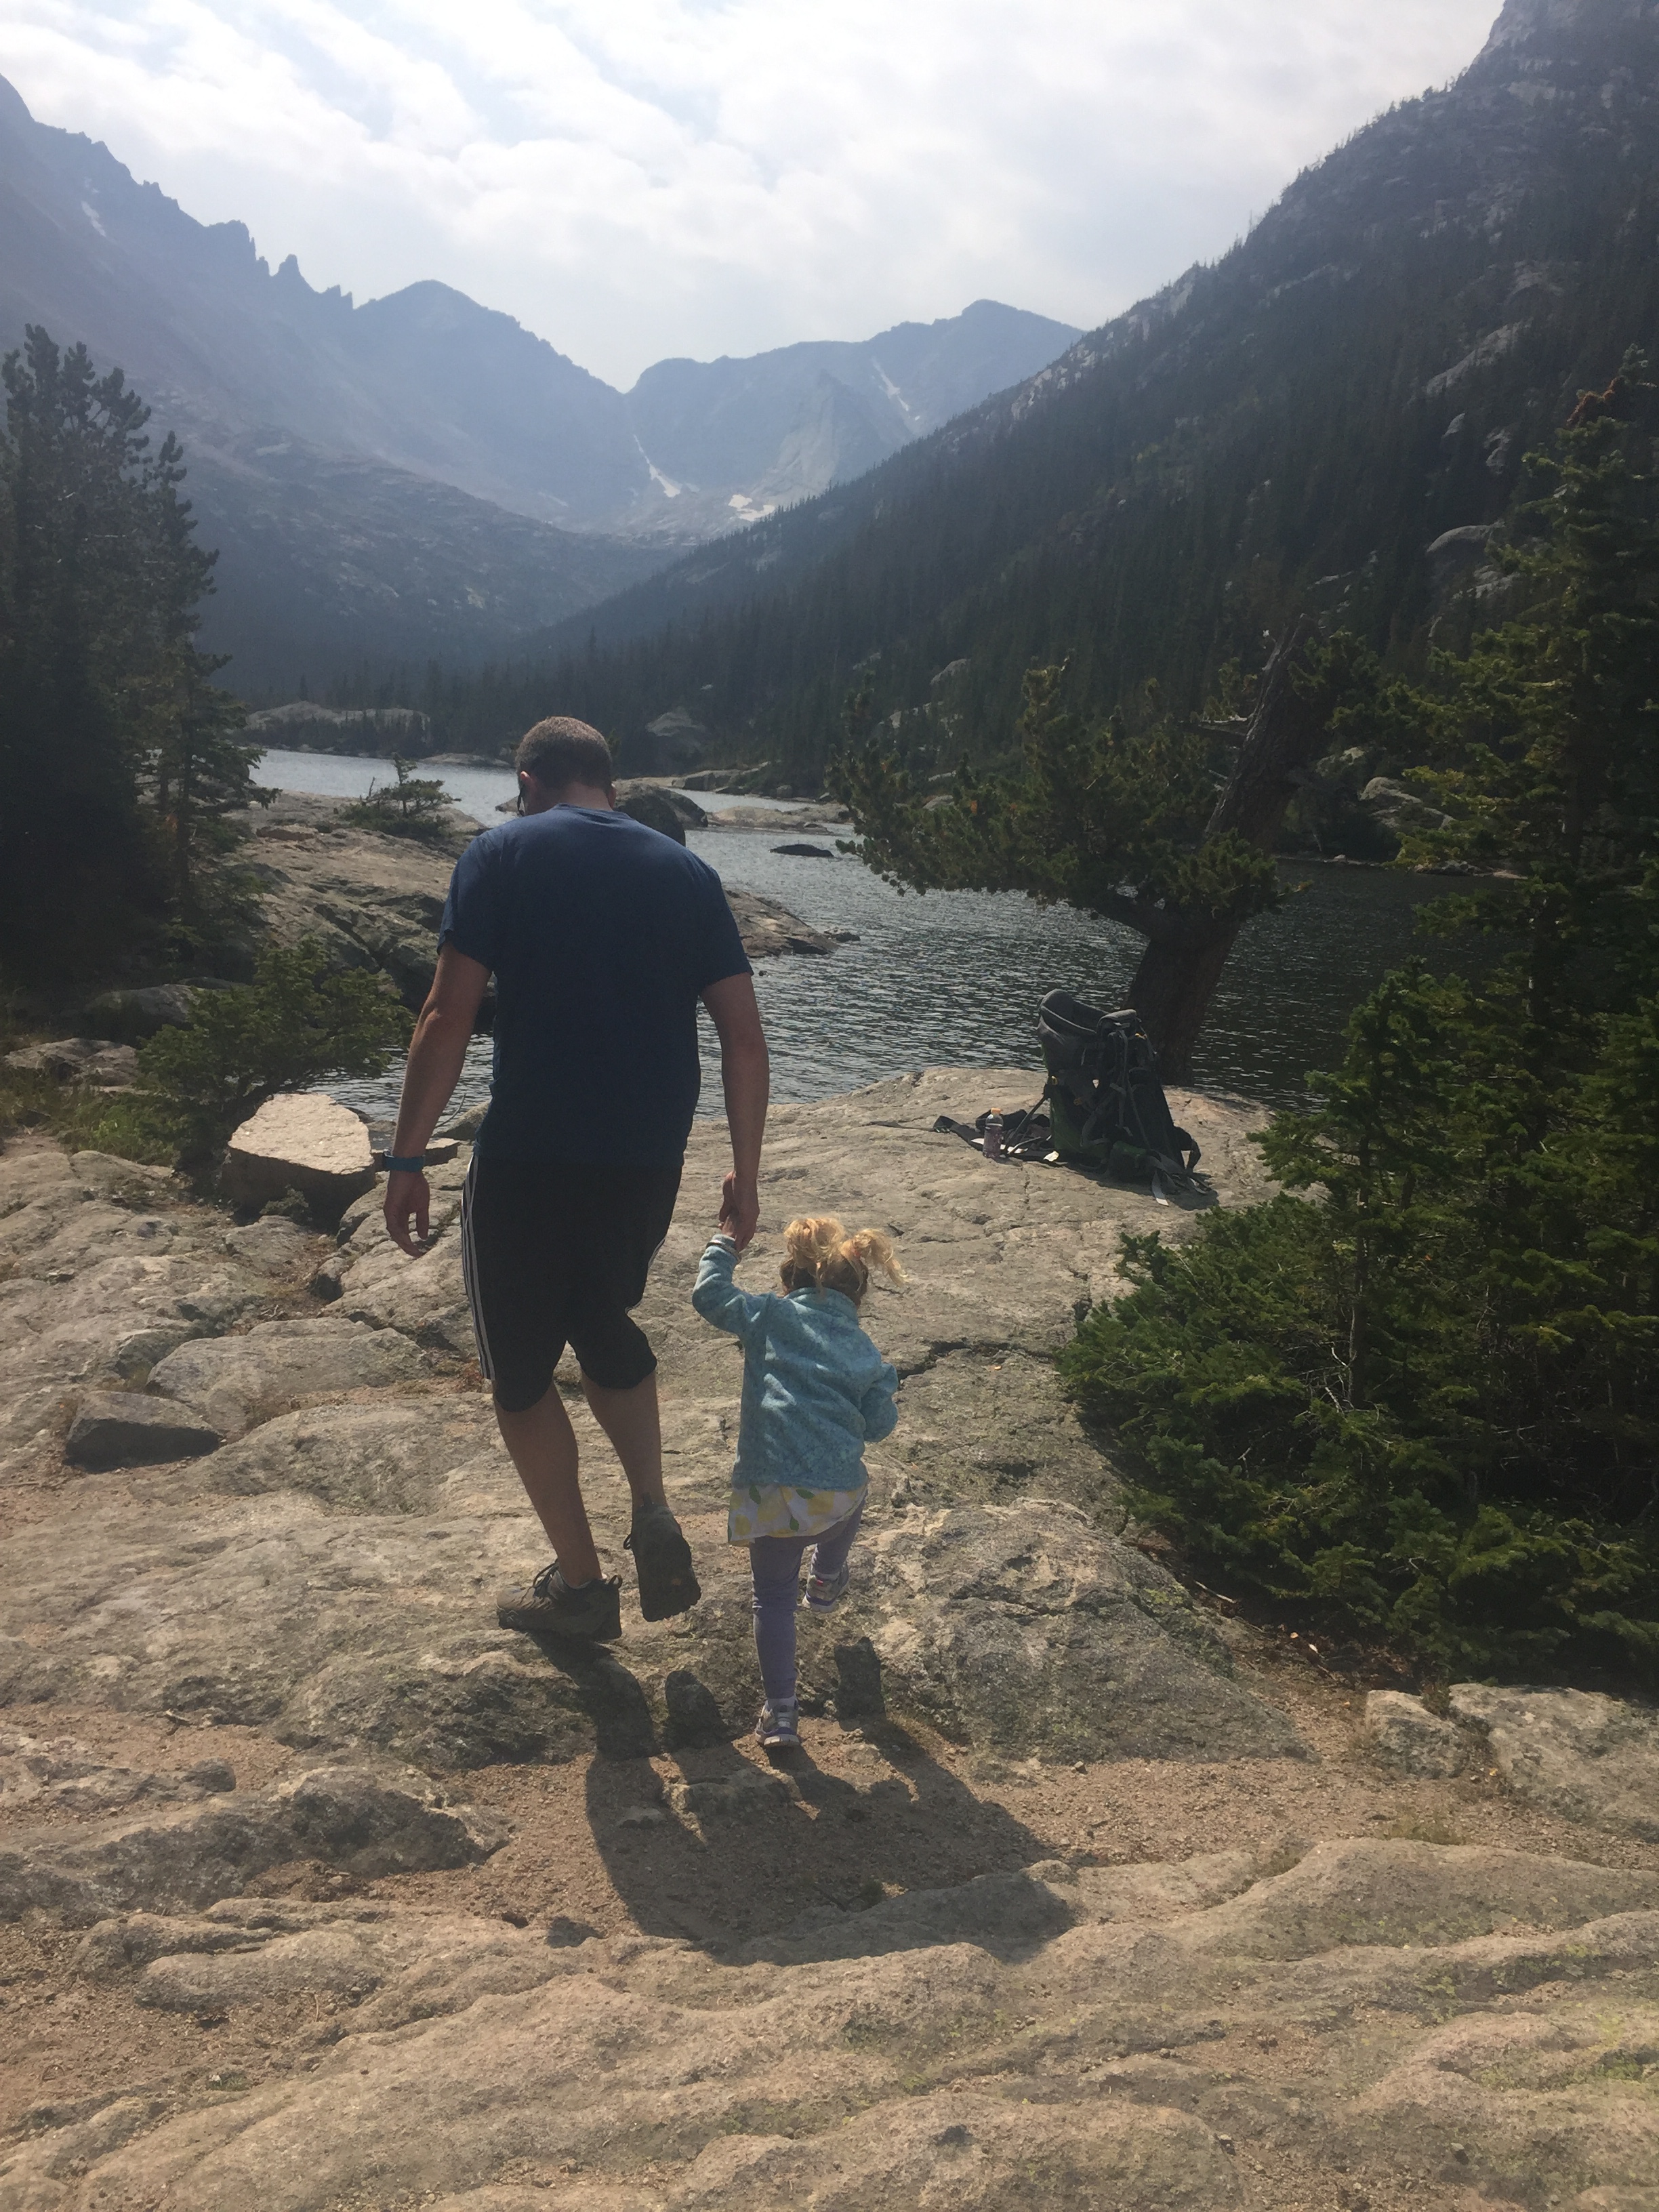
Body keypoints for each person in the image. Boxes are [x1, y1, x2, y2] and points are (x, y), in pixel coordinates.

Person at [383, 716, 769, 1642]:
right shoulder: (687, 874)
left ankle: (585, 1589)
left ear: (529, 779)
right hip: (646, 1156)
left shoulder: (501, 852)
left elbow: (447, 1013)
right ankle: (651, 1501)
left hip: (531, 1150)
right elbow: (744, 1035)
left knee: (521, 1374)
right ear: (610, 780)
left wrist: (405, 1159)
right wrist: (744, 1176)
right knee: (603, 1321)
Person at [691, 1213, 903, 1750]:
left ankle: (781, 1714)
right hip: (832, 1498)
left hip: (770, 1496)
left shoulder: (767, 1315)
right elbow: (879, 1429)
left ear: (789, 1281)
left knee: (772, 1600)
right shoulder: (864, 1352)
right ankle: (829, 1578)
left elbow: (709, 1296)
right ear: (857, 1298)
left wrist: (725, 1241)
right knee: (859, 1487)